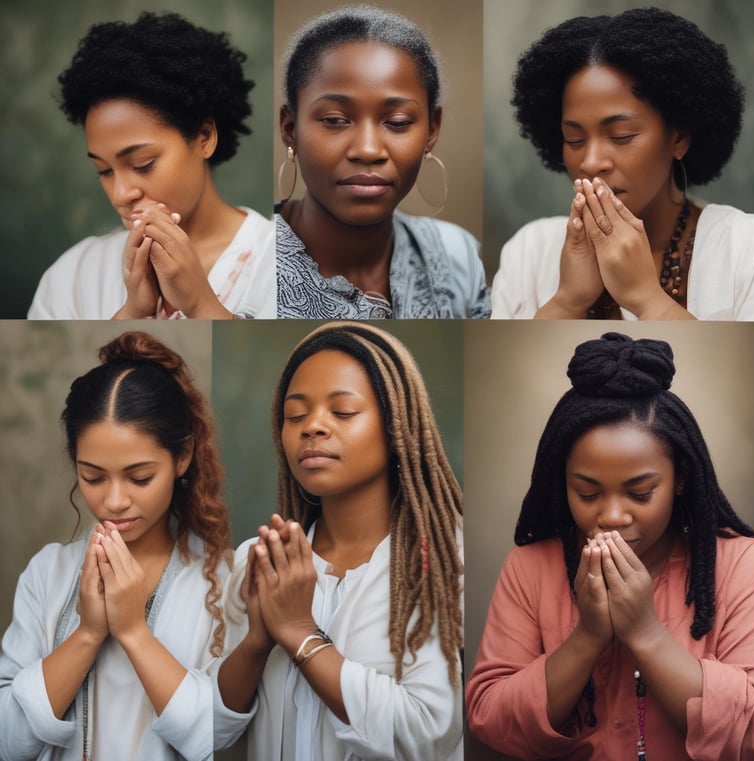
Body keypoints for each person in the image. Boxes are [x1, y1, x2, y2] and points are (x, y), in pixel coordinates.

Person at [465, 332, 754, 759]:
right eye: (587, 493)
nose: (610, 516)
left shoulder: (743, 567)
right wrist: (587, 636)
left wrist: (645, 632)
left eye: (640, 493)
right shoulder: (529, 569)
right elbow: (488, 721)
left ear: (680, 478)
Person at [214, 322, 464, 759]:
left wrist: (299, 633)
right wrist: (257, 640)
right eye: (295, 416)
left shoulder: (445, 564)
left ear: (395, 427)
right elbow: (214, 732)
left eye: (343, 411)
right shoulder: (257, 563)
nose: (313, 426)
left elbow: (427, 733)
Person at [0, 331, 232, 760]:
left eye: (140, 477)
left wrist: (132, 632)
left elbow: (220, 740)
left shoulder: (224, 583)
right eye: (92, 477)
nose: (113, 501)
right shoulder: (47, 572)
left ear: (182, 458)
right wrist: (88, 632)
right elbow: (8, 740)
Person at [490, 8, 754, 320]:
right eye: (574, 139)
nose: (591, 162)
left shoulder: (752, 250)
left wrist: (646, 298)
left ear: (680, 138)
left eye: (621, 136)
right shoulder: (529, 252)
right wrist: (568, 301)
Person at [28, 11, 275, 320]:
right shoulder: (73, 277)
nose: (120, 194)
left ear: (204, 137)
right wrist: (132, 312)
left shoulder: (286, 264)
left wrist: (201, 305)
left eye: (143, 164)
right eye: (104, 170)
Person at [275, 5, 490, 318]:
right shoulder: (247, 261)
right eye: (335, 120)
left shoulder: (458, 254)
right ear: (290, 129)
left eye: (398, 122)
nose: (368, 149)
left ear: (432, 130)